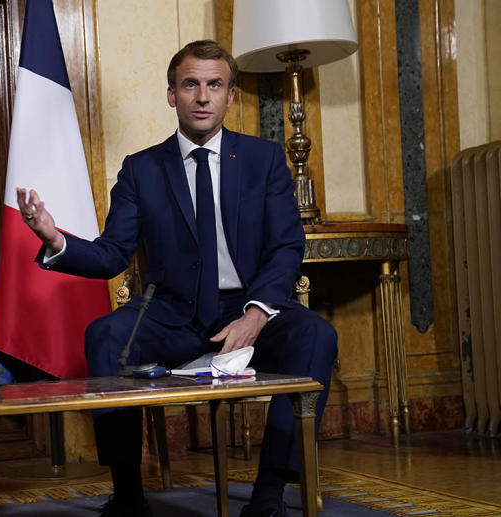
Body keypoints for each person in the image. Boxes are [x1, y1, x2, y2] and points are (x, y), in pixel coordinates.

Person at [17, 40, 338, 517]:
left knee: (316, 334)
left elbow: (287, 247)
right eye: (191, 85)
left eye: (215, 85)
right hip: (171, 317)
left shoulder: (264, 161)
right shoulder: (141, 169)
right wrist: (54, 238)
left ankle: (269, 492)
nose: (203, 96)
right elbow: (110, 255)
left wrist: (256, 313)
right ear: (172, 95)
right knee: (105, 335)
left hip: (247, 311)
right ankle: (127, 492)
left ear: (231, 97)